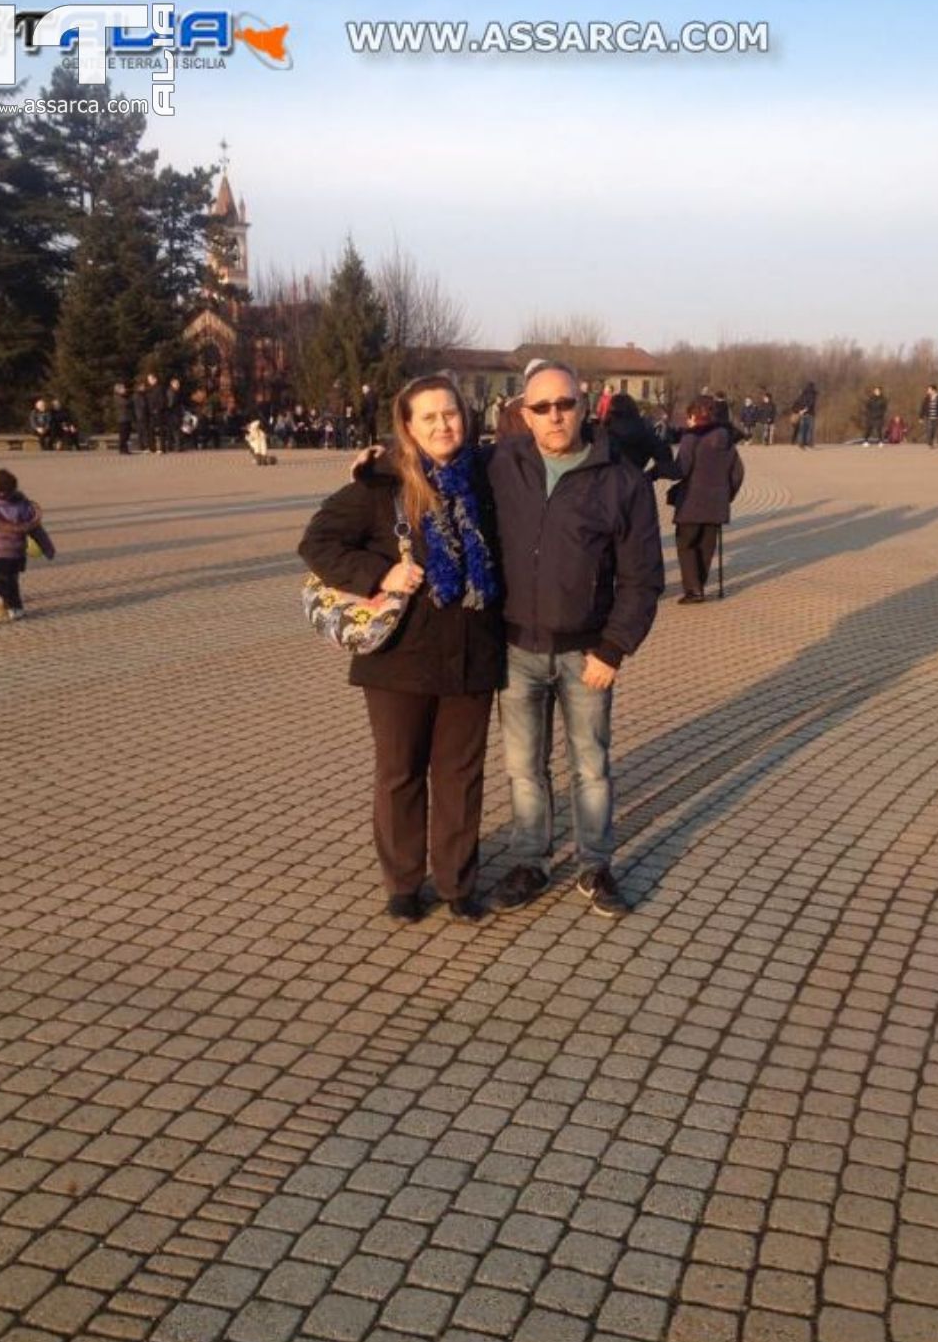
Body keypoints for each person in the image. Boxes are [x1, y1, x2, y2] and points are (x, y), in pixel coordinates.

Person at [299, 375, 504, 924]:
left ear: (467, 417)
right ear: (408, 427)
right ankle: (404, 882)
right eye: (430, 417)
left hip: (472, 653)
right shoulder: (380, 485)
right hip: (399, 659)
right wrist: (381, 573)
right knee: (400, 772)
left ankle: (458, 883)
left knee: (461, 775)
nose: (444, 425)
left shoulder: (487, 477)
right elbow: (316, 542)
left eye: (452, 414)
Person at [488, 361, 663, 917]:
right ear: (524, 413)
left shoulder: (621, 479)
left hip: (587, 653)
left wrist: (615, 647)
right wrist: (378, 464)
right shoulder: (500, 463)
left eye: (564, 403)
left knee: (590, 766)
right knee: (523, 767)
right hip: (516, 648)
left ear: (584, 404)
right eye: (541, 407)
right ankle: (530, 860)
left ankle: (595, 863)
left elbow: (643, 576)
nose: (555, 415)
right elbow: (430, 460)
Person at [669, 394, 745, 605]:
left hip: (691, 503)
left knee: (686, 544)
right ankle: (698, 585)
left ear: (694, 416)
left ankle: (694, 590)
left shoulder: (691, 438)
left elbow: (681, 469)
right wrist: (727, 494)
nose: (687, 421)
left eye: (689, 417)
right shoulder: (727, 440)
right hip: (717, 504)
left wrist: (661, 471)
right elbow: (738, 473)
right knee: (705, 546)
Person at [0, 468, 55, 621]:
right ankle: (15, 609)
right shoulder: (23, 507)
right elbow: (37, 531)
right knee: (11, 580)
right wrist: (48, 548)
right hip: (15, 554)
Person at [603, 392, 678, 481]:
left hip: (607, 485)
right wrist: (651, 475)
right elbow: (666, 462)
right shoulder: (645, 430)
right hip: (637, 483)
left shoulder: (604, 431)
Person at [919, 384, 938, 448]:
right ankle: (930, 442)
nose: (928, 391)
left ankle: (932, 441)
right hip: (928, 416)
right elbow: (923, 407)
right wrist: (921, 417)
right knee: (929, 429)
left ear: (933, 390)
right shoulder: (927, 397)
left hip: (937, 416)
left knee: (934, 430)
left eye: (929, 389)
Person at [144, 372, 166, 453]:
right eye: (148, 379)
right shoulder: (149, 389)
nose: (149, 381)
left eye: (150, 379)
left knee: (160, 430)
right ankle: (151, 447)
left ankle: (161, 448)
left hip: (158, 412)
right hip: (150, 413)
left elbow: (162, 400)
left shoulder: (159, 388)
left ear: (155, 379)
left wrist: (158, 409)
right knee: (151, 430)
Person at [791, 381, 817, 447]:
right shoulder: (812, 394)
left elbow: (795, 404)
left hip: (802, 414)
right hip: (810, 413)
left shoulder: (802, 395)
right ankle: (809, 443)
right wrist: (805, 409)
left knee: (802, 429)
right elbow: (811, 403)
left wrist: (799, 411)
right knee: (809, 429)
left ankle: (801, 442)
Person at [165, 377, 184, 452]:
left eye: (178, 384)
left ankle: (173, 446)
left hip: (175, 414)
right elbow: (171, 403)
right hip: (173, 414)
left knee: (174, 430)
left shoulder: (175, 392)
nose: (178, 385)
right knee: (175, 431)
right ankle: (177, 447)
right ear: (172, 384)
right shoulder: (172, 392)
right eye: (176, 384)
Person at [114, 383, 133, 453]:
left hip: (127, 417)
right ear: (118, 390)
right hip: (122, 418)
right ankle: (122, 449)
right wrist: (128, 400)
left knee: (127, 434)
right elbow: (124, 403)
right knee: (123, 435)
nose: (124, 390)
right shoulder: (117, 397)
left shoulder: (125, 396)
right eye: (122, 388)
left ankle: (126, 448)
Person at [132, 381, 151, 452]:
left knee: (141, 431)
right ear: (139, 387)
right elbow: (143, 405)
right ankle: (145, 446)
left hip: (138, 415)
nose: (144, 388)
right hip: (142, 415)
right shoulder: (140, 395)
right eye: (143, 386)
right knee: (144, 431)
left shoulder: (135, 395)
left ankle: (141, 446)